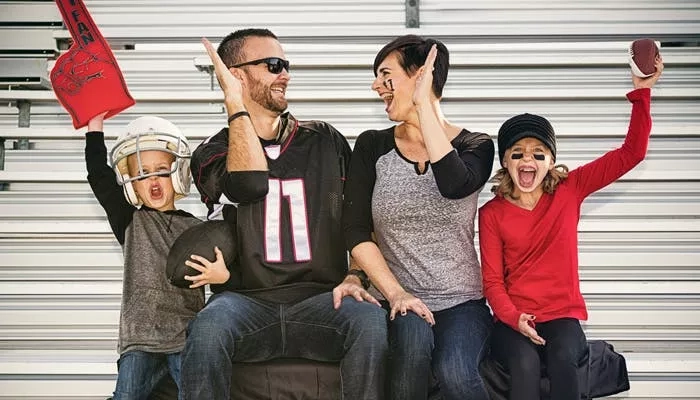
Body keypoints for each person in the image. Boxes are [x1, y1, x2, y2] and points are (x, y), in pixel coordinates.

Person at [179, 28, 388, 400]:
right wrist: (235, 105)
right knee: (209, 327)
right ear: (237, 75)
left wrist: (356, 275)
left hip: (321, 299)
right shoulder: (212, 151)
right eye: (273, 65)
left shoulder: (325, 139)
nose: (285, 75)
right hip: (247, 302)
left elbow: (359, 219)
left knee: (369, 321)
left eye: (286, 65)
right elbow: (249, 186)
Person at [478, 57, 664, 399]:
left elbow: (631, 153)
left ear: (551, 161)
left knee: (566, 358)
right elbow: (491, 281)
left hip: (561, 315)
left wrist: (642, 94)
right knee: (524, 365)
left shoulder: (569, 190)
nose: (527, 160)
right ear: (505, 161)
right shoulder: (492, 213)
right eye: (517, 154)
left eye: (538, 153)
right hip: (513, 319)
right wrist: (514, 317)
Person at [342, 35, 494, 400]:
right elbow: (355, 229)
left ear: (421, 74)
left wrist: (424, 106)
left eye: (385, 75)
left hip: (461, 302)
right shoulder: (372, 146)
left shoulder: (477, 145)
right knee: (411, 347)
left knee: (456, 374)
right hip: (398, 296)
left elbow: (454, 184)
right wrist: (396, 293)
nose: (376, 85)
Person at [85, 112, 204, 399]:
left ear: (178, 173)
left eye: (162, 170)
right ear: (131, 183)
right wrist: (95, 124)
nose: (153, 181)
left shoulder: (199, 229)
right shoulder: (129, 220)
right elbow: (99, 176)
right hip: (140, 340)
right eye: (142, 174)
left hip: (184, 337)